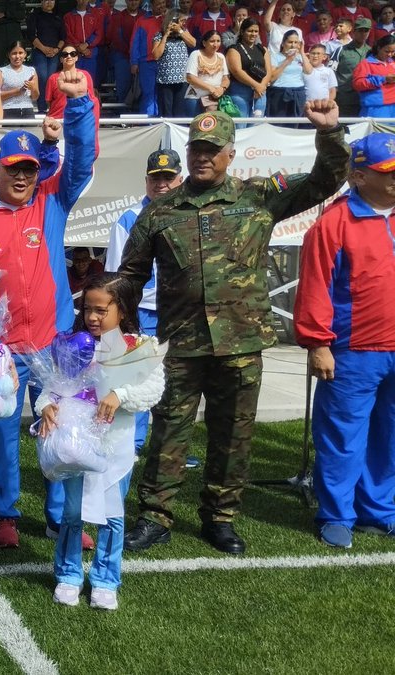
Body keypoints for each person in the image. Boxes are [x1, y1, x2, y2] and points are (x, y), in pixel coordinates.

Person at [118, 106, 349, 555]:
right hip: (180, 343)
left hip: (240, 343)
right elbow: (130, 276)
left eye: (211, 150)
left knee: (233, 434)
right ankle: (155, 516)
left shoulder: (260, 197)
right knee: (168, 432)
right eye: (196, 149)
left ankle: (220, 517)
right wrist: (115, 324)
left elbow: (326, 179)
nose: (203, 157)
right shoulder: (161, 212)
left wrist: (331, 132)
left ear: (230, 154)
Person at [0, 70, 98, 550]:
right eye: (12, 168)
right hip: (0, 351)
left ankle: (62, 518)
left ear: (38, 171)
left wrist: (77, 106)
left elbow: (80, 163)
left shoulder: (51, 203)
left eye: (29, 168)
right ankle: (3, 512)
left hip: (54, 344)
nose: (21, 176)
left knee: (62, 430)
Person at [39, 273, 165, 611]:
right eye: (87, 310)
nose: (92, 318)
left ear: (122, 309)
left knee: (113, 514)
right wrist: (46, 405)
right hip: (77, 445)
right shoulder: (72, 344)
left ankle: (106, 579)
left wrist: (119, 394)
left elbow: (153, 390)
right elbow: (54, 387)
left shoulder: (140, 348)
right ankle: (68, 573)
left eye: (101, 310)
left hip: (116, 447)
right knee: (72, 510)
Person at [294, 132, 395, 550]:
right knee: (342, 435)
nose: (394, 179)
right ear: (358, 175)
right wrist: (318, 343)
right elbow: (315, 286)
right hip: (354, 351)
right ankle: (336, 514)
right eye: (386, 172)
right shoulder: (333, 223)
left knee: (390, 433)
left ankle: (380, 510)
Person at [105, 149, 182, 456]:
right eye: (155, 178)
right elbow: (115, 274)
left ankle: (171, 447)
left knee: (177, 383)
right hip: (142, 312)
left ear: (180, 179)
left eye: (168, 177)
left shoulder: (190, 214)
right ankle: (132, 445)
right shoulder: (128, 218)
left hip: (179, 312)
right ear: (146, 181)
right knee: (136, 379)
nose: (161, 184)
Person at [154, 7, 198, 116]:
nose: (184, 23)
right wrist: (165, 35)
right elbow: (156, 55)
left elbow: (193, 43)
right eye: (182, 21)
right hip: (165, 81)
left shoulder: (183, 33)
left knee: (180, 112)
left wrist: (180, 31)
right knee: (166, 112)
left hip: (182, 80)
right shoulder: (159, 35)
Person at [227, 18, 273, 117]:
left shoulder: (262, 49)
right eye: (250, 31)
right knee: (241, 124)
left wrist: (261, 87)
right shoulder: (234, 49)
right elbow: (236, 71)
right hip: (240, 91)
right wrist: (256, 86)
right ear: (242, 31)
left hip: (261, 91)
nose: (253, 34)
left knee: (257, 124)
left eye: (256, 31)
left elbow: (268, 71)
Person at [131, 0, 170, 116]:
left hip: (166, 62)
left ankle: (161, 121)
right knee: (148, 93)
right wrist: (134, 62)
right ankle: (148, 124)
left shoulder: (169, 19)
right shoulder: (142, 21)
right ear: (151, 5)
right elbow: (135, 42)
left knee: (164, 94)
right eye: (158, 3)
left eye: (163, 3)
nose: (161, 5)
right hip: (146, 62)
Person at [27, 0, 66, 111]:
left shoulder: (58, 17)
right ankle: (42, 107)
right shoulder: (35, 15)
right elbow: (31, 34)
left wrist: (57, 49)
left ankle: (52, 107)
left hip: (54, 52)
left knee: (52, 78)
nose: (49, 2)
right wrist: (43, 49)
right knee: (42, 77)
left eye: (52, 0)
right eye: (46, 0)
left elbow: (63, 37)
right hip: (40, 51)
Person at [47, 45, 102, 119]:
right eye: (65, 54)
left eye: (73, 54)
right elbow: (49, 101)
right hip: (57, 119)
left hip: (79, 118)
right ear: (61, 59)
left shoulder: (85, 75)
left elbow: (91, 98)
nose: (69, 56)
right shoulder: (53, 78)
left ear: (76, 58)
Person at [267, 31, 311, 118]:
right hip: (280, 92)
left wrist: (302, 52)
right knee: (279, 124)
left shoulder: (300, 57)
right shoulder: (274, 56)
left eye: (296, 42)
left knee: (296, 125)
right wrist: (287, 60)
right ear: (283, 43)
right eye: (290, 42)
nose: (293, 45)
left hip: (298, 92)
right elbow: (271, 77)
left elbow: (308, 71)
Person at [108, 0, 143, 104]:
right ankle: (122, 112)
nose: (133, 3)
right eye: (130, 0)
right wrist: (130, 52)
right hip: (123, 56)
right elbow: (116, 38)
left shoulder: (144, 15)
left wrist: (137, 55)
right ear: (126, 1)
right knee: (123, 86)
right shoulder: (118, 17)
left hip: (141, 57)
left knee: (142, 88)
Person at [186, 30, 230, 115]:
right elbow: (190, 77)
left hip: (214, 99)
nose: (215, 44)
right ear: (204, 43)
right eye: (212, 41)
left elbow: (226, 78)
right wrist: (211, 88)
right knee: (196, 126)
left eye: (218, 41)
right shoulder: (196, 54)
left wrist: (221, 89)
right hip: (195, 99)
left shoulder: (221, 56)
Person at [352, 33, 395, 116]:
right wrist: (383, 79)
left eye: (393, 51)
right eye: (387, 51)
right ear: (379, 48)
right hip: (376, 108)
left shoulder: (392, 62)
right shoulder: (366, 64)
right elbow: (357, 84)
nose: (390, 54)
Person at [336, 18, 371, 116]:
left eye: (366, 30)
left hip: (365, 98)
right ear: (354, 31)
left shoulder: (372, 52)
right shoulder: (341, 50)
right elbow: (331, 72)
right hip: (345, 98)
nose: (363, 33)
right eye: (360, 30)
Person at [0, 40, 39, 118]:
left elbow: (35, 97)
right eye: (14, 53)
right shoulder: (1, 71)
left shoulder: (31, 71)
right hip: (8, 110)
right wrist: (16, 92)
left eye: (20, 53)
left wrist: (32, 88)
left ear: (25, 54)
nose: (17, 56)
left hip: (28, 110)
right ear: (8, 55)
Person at [64, 0, 105, 78]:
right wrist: (79, 46)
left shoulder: (95, 15)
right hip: (74, 53)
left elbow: (98, 33)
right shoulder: (68, 17)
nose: (82, 1)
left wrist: (87, 44)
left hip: (90, 52)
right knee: (74, 80)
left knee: (89, 79)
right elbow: (68, 34)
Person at [0, 0, 26, 69]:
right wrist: (12, 16)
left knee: (16, 57)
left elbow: (21, 15)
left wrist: (5, 14)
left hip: (15, 32)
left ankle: (17, 79)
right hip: (0, 33)